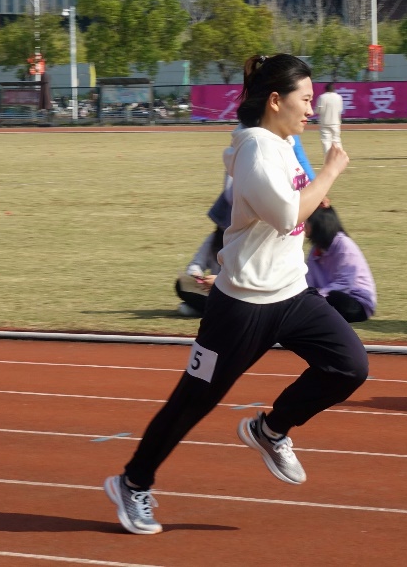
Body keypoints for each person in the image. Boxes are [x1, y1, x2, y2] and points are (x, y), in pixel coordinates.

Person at [105, 54, 367, 535]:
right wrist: (329, 173)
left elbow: (295, 202)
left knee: (349, 366)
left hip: (292, 294)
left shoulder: (282, 142)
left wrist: (314, 182)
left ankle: (271, 429)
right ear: (276, 101)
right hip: (241, 307)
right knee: (192, 403)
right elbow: (286, 216)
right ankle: (132, 482)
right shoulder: (255, 150)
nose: (311, 109)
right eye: (305, 99)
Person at [304, 205, 376, 323]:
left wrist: (317, 296)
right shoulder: (315, 250)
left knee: (334, 297)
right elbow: (309, 280)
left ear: (319, 223)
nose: (303, 225)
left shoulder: (344, 245)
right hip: (326, 297)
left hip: (357, 303)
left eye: (307, 221)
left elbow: (345, 283)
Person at [175, 226, 223, 317]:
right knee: (181, 284)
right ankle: (211, 310)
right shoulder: (215, 238)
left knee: (185, 309)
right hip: (214, 292)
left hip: (237, 293)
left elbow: (247, 277)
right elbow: (196, 263)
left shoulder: (246, 241)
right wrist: (195, 275)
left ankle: (206, 310)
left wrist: (218, 280)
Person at [315, 82, 343, 157]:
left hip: (324, 122)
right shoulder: (338, 97)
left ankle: (328, 157)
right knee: (336, 140)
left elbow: (318, 110)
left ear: (325, 89)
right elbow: (340, 110)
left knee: (326, 141)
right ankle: (339, 157)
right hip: (336, 122)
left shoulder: (322, 97)